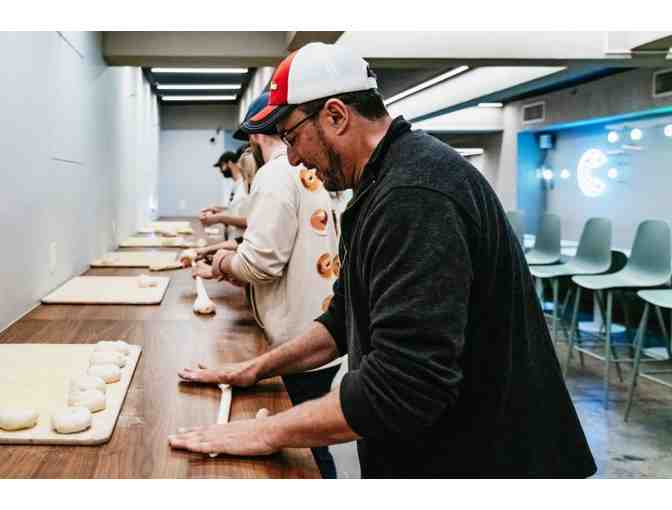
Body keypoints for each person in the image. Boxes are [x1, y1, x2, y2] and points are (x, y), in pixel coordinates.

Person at [170, 43, 597, 479]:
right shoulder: (380, 185)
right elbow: (343, 319)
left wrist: (266, 433)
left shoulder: (415, 196)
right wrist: (254, 368)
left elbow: (403, 385)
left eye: (293, 135)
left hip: (489, 462)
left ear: (336, 115)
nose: (293, 157)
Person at [189, 92, 343, 478]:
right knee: (315, 440)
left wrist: (224, 262)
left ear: (257, 137)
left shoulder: (276, 173)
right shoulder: (311, 172)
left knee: (308, 446)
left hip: (300, 335)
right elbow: (287, 243)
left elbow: (262, 263)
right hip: (322, 326)